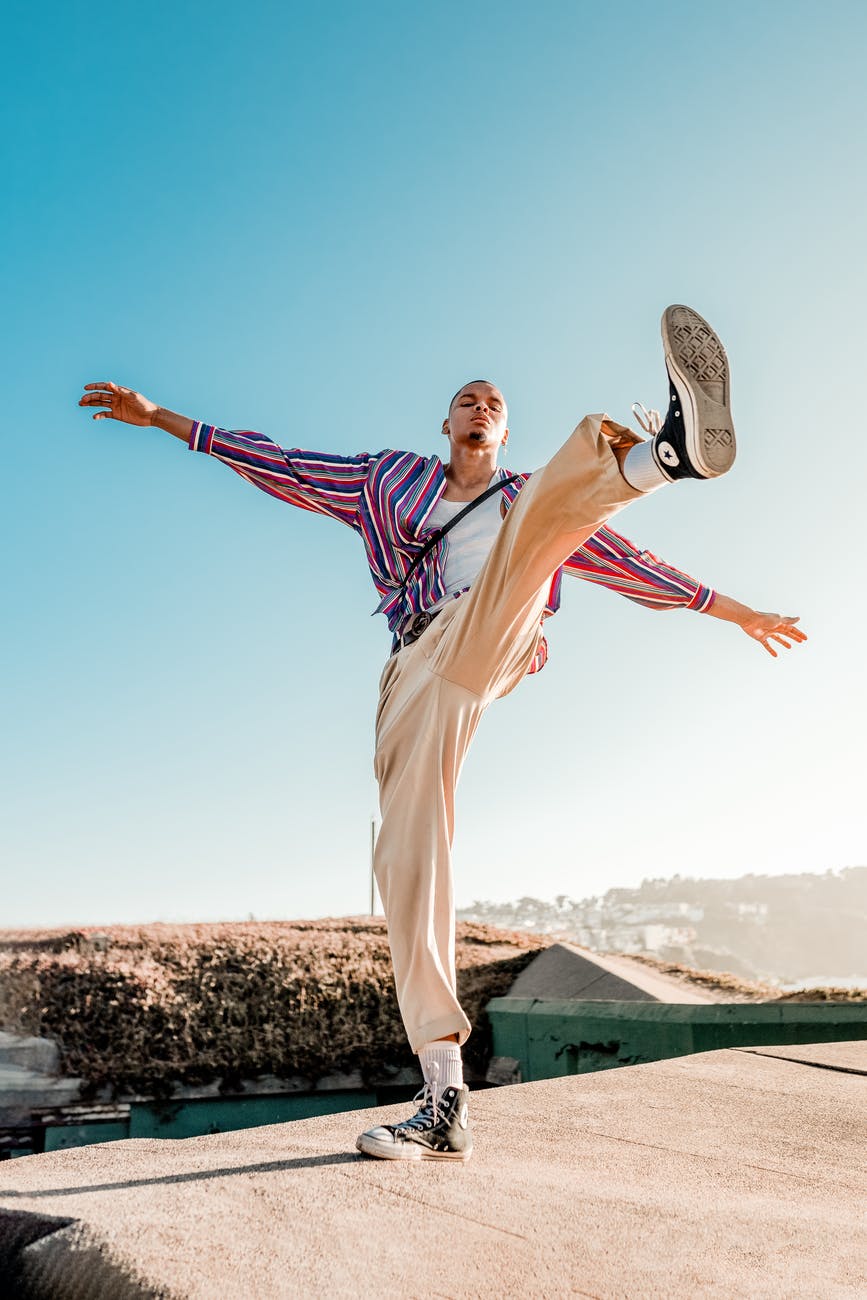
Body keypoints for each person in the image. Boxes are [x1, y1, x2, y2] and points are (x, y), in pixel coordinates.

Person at [78, 304, 805, 1163]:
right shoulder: (387, 480)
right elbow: (277, 462)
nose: (481, 407)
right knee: (408, 856)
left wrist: (730, 609)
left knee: (546, 516)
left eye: (494, 401)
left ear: (502, 427)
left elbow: (622, 562)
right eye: (467, 398)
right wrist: (161, 419)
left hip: (496, 629)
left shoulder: (521, 497)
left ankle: (661, 458)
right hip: (416, 668)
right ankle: (442, 1093)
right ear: (447, 422)